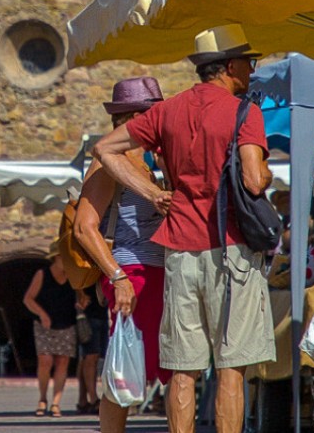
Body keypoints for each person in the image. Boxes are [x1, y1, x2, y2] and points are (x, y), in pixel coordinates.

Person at [93, 25, 273, 433]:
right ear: (230, 66)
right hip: (230, 249)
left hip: (178, 251)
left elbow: (104, 148)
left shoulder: (167, 110)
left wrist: (153, 193)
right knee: (231, 366)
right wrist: (263, 170)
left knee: (182, 368)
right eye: (249, 62)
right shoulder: (245, 111)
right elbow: (253, 181)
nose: (251, 69)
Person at [74, 75, 170, 432]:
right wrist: (117, 277)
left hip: (159, 273)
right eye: (152, 114)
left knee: (169, 369)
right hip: (133, 272)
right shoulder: (109, 161)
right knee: (125, 372)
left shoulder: (151, 158)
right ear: (134, 117)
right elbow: (84, 227)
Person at [23, 243, 79, 418]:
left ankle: (56, 402)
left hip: (67, 323)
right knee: (45, 360)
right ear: (55, 258)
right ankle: (42, 398)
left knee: (62, 362)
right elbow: (28, 299)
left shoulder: (72, 275)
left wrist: (81, 302)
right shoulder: (42, 274)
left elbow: (81, 296)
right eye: (64, 257)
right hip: (44, 325)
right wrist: (42, 314)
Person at [75, 282, 108, 415]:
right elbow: (75, 277)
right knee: (90, 356)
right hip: (89, 312)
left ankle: (83, 399)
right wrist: (81, 294)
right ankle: (93, 398)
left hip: (101, 311)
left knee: (88, 357)